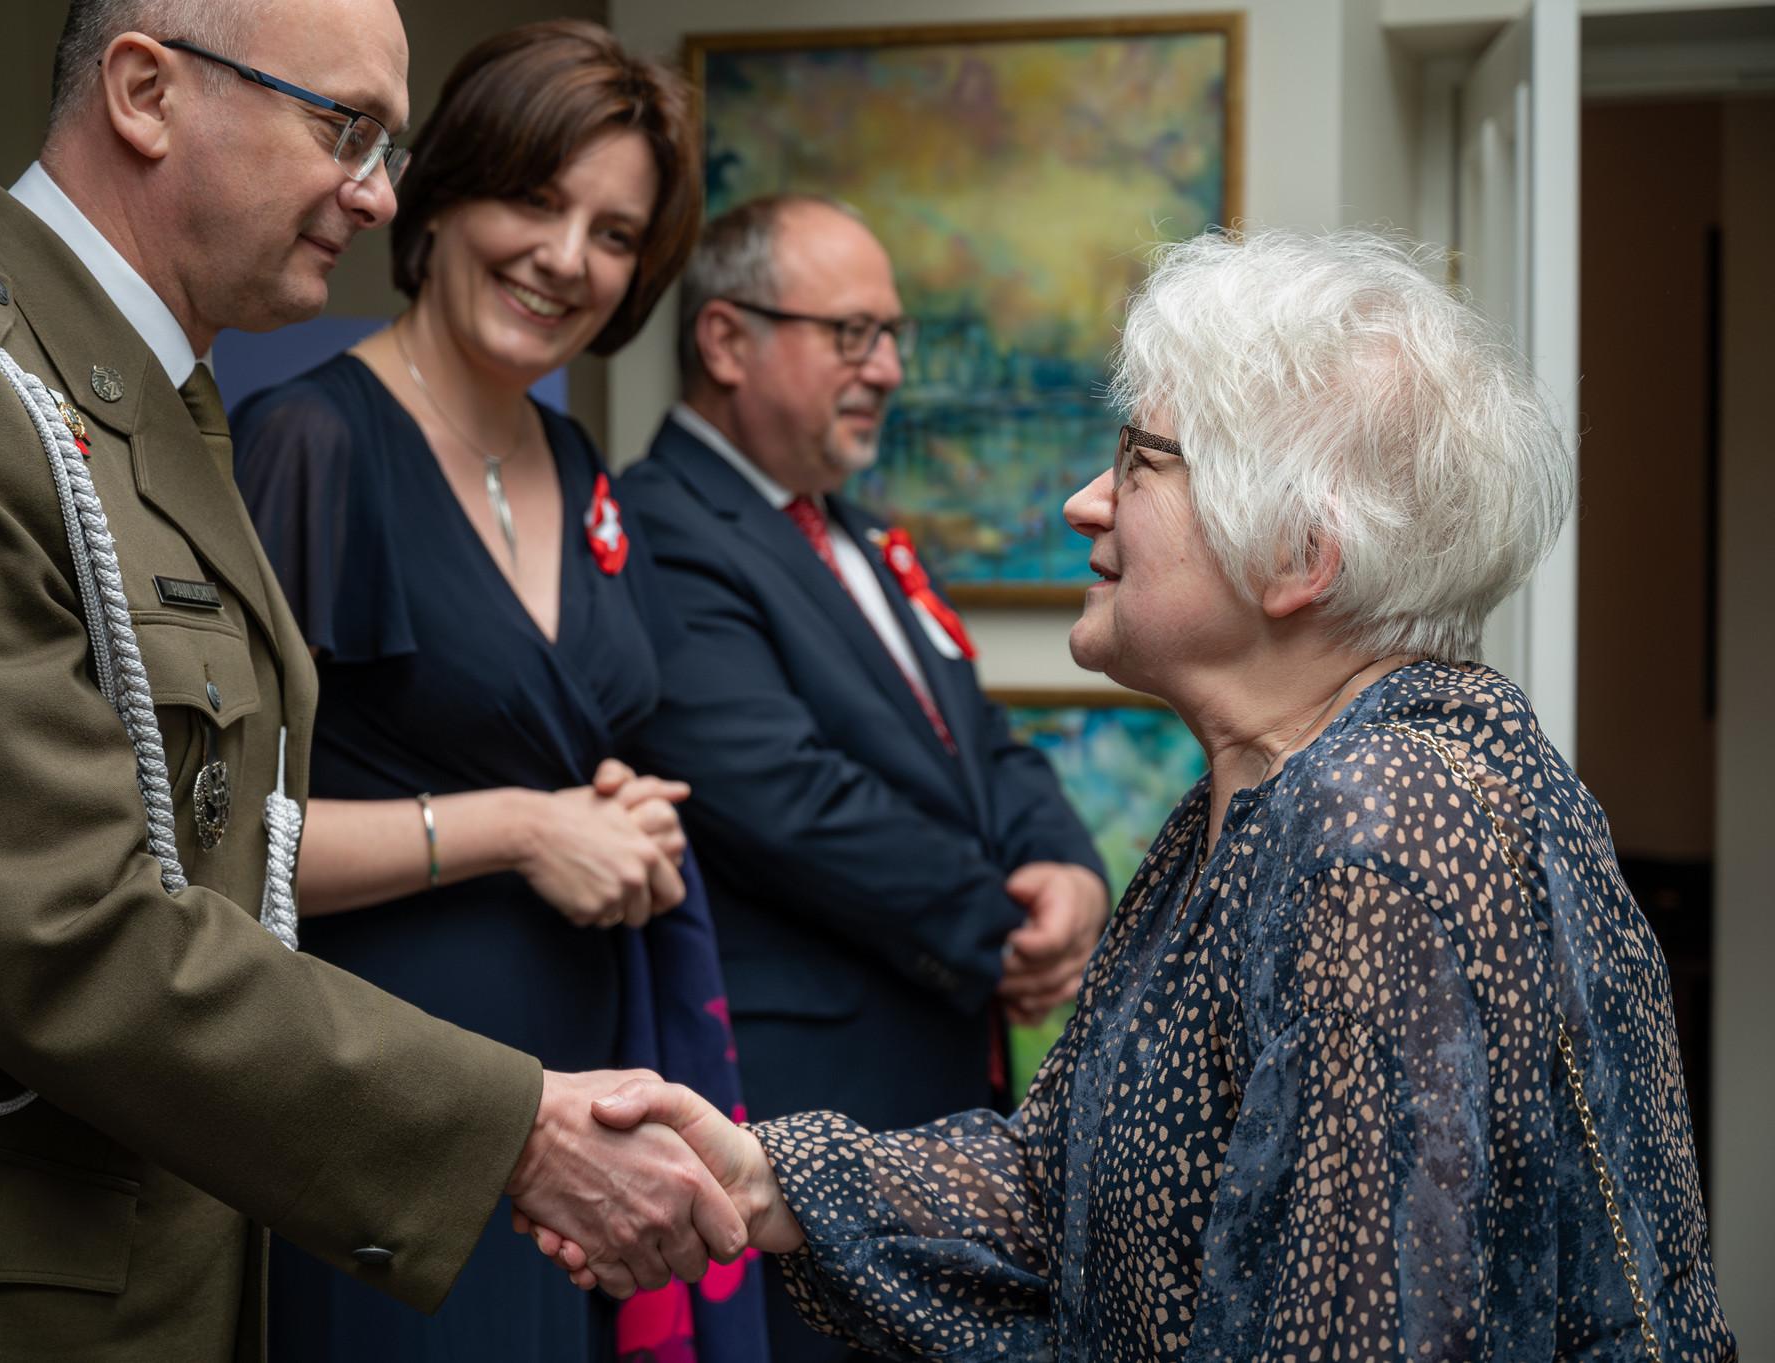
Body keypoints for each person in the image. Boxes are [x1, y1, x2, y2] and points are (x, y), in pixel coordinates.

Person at [0, 4, 746, 1359]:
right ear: (145, 92)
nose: (378, 196)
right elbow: (65, 937)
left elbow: (225, 851)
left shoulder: (155, 406)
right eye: (342, 129)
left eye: (386, 146)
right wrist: (516, 1130)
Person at [542, 229, 1738, 1361]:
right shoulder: (1258, 797)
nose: (1085, 502)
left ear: (1297, 556)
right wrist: (760, 1178)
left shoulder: (1374, 828)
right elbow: (1062, 1195)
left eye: (1139, 462)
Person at [228, 20, 761, 1363]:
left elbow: (572, 729)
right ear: (442, 193)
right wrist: (522, 827)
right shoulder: (310, 445)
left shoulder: (578, 462)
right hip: (386, 1108)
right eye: (534, 199)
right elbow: (216, 844)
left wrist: (617, 805)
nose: (566, 258)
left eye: (614, 233)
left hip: (581, 1100)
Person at [615, 194, 1111, 1362]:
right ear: (725, 339)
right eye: (850, 334)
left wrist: (1069, 871)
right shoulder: (656, 526)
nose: (885, 368)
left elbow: (982, 743)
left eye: (891, 335)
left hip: (927, 1104)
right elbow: (782, 794)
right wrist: (1001, 927)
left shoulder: (858, 535)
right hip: (795, 1105)